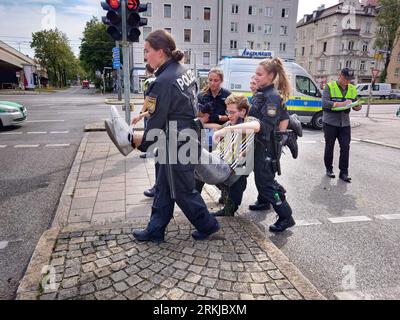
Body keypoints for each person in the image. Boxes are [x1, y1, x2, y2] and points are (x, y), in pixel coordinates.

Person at [104, 29, 220, 242]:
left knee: (183, 191)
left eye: (147, 51)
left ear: (160, 51)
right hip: (182, 137)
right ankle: (155, 230)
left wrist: (139, 143)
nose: (145, 56)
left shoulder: (162, 81)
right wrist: (145, 116)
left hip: (176, 143)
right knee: (164, 188)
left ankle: (209, 225)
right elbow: (173, 106)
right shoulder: (184, 70)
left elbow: (156, 125)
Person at [213, 58, 295, 233]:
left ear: (271, 76)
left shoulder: (271, 97)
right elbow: (259, 116)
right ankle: (260, 202)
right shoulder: (262, 93)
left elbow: (262, 126)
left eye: (259, 74)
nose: (255, 77)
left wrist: (228, 130)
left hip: (265, 147)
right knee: (252, 178)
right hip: (258, 145)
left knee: (265, 183)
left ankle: (286, 216)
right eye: (255, 73)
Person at [210, 94, 254, 217]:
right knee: (210, 171)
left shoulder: (249, 121)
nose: (228, 115)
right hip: (227, 162)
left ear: (243, 111)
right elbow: (220, 131)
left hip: (241, 166)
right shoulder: (229, 124)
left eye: (232, 112)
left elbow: (255, 127)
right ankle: (225, 194)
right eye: (227, 111)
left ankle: (229, 209)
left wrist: (226, 130)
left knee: (236, 184)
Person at [322, 68, 361, 183]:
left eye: (349, 79)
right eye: (345, 79)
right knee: (329, 146)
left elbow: (354, 102)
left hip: (345, 123)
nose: (347, 82)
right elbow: (325, 103)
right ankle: (329, 169)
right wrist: (341, 103)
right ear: (340, 76)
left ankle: (344, 172)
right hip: (330, 122)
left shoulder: (352, 89)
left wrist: (357, 107)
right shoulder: (329, 86)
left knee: (345, 147)